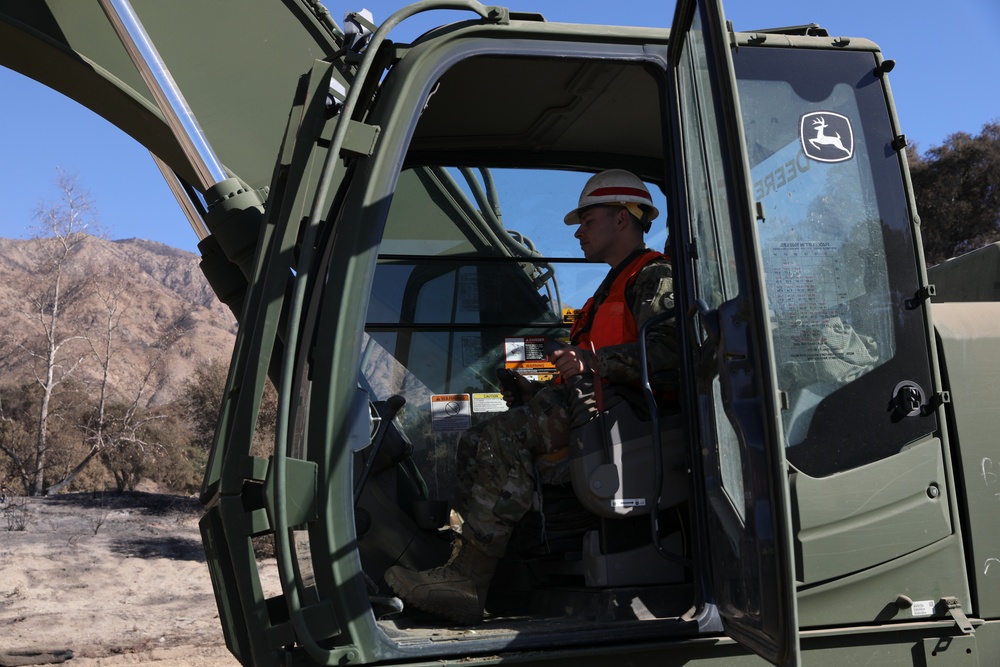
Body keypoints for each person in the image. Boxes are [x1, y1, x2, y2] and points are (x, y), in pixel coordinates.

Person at [384, 169, 678, 624]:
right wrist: (533, 390)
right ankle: (484, 572)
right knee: (477, 436)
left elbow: (670, 351)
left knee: (500, 437)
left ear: (623, 219)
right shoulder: (608, 288)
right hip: (591, 414)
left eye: (588, 220)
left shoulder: (654, 276)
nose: (579, 232)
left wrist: (592, 361)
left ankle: (468, 581)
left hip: (629, 422)